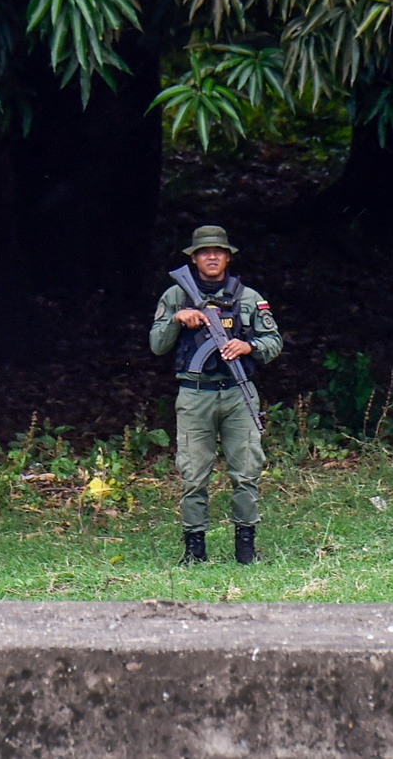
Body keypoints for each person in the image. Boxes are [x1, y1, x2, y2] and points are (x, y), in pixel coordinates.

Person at [148, 225, 282, 566]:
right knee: (193, 474)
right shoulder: (176, 295)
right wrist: (178, 318)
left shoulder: (249, 298)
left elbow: (273, 343)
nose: (211, 256)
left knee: (247, 472)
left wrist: (247, 345)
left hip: (239, 395)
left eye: (218, 251)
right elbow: (157, 345)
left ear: (227, 257)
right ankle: (194, 551)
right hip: (195, 396)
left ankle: (246, 550)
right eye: (204, 252)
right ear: (193, 259)